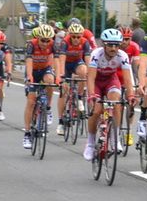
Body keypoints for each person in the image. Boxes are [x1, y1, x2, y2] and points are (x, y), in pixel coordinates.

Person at [84, 28, 136, 160]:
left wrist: (130, 95)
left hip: (110, 81)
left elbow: (128, 79)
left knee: (116, 102)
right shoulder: (96, 54)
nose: (114, 48)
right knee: (96, 111)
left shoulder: (122, 56)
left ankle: (115, 138)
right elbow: (90, 78)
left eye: (117, 45)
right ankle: (90, 143)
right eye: (110, 45)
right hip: (96, 81)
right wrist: (91, 96)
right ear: (103, 44)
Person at [22, 24, 58, 150]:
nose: (45, 43)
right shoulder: (31, 44)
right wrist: (30, 76)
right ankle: (27, 133)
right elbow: (29, 61)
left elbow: (57, 60)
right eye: (43, 40)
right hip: (32, 70)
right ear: (38, 38)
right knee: (31, 101)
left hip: (45, 69)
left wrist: (58, 76)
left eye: (48, 40)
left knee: (50, 80)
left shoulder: (53, 44)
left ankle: (47, 108)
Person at [56, 22, 92, 135]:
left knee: (84, 71)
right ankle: (61, 122)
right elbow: (61, 60)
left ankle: (80, 97)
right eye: (73, 37)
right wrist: (62, 77)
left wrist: (90, 75)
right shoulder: (64, 42)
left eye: (78, 36)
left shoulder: (85, 42)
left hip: (77, 62)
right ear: (69, 35)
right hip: (66, 64)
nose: (76, 39)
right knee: (64, 91)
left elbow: (88, 60)